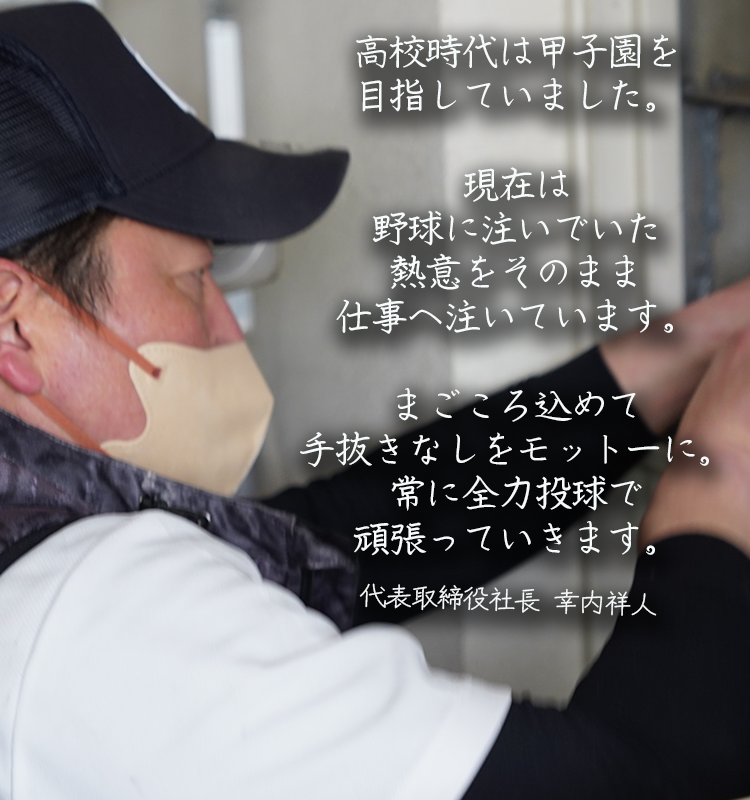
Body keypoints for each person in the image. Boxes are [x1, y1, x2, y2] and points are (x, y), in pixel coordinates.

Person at [0, 4, 749, 799]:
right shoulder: (109, 627)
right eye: (192, 280)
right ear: (16, 323)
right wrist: (722, 483)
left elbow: (348, 537)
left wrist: (688, 347)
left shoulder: (44, 548)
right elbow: (637, 778)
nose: (226, 327)